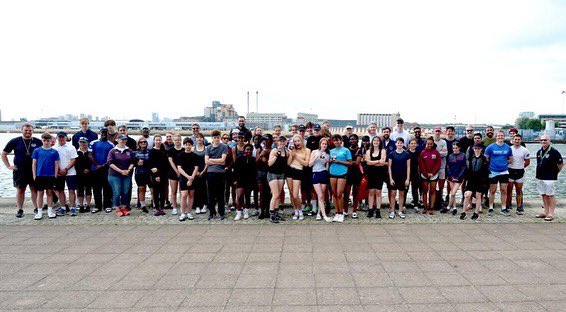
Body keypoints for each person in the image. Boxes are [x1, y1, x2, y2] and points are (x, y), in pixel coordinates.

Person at [2, 123, 42, 218]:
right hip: (19, 170)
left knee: (34, 189)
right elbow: (3, 154)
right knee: (20, 189)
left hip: (33, 170)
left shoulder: (38, 141)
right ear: (22, 131)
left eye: (30, 130)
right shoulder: (15, 141)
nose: (28, 132)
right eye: (26, 130)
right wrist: (8, 166)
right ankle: (19, 209)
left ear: (32, 131)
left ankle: (36, 208)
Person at [31, 133, 60, 220]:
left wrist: (55, 175)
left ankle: (50, 211)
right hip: (40, 175)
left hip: (50, 175)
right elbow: (34, 164)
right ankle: (39, 212)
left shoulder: (54, 152)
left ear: (50, 141)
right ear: (42, 141)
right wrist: (34, 175)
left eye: (48, 140)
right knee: (40, 193)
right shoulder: (37, 151)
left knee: (49, 193)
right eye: (44, 140)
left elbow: (56, 164)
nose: (46, 142)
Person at [535, 135, 563, 221]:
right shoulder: (539, 151)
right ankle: (545, 211)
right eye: (542, 140)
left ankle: (551, 213)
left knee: (550, 195)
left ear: (549, 141)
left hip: (550, 177)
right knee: (543, 194)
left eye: (545, 140)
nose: (543, 141)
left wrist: (555, 173)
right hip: (540, 176)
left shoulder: (554, 152)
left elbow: (561, 164)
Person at [484, 130, 513, 215]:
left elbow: (511, 159)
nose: (500, 137)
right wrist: (493, 164)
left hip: (504, 172)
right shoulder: (490, 147)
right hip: (493, 171)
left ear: (504, 137)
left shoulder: (507, 147)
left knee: (504, 190)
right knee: (492, 190)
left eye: (502, 136)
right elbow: (486, 158)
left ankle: (503, 208)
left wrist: (504, 163)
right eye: (498, 136)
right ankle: (490, 208)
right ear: (496, 137)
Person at [107, 134, 135, 217]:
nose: (123, 141)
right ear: (117, 140)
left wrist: (128, 170)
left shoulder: (129, 151)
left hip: (126, 174)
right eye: (121, 139)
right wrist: (121, 171)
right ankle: (117, 208)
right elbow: (110, 163)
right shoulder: (112, 151)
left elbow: (132, 162)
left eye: (124, 139)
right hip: (114, 175)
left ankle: (123, 207)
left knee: (125, 191)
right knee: (117, 191)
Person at [462, 143, 490, 220]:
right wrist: (466, 178)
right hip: (471, 179)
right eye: (475, 149)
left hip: (480, 180)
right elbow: (468, 169)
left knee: (478, 196)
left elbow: (486, 171)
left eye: (478, 149)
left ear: (481, 150)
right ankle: (463, 212)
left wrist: (485, 182)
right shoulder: (471, 158)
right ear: (473, 149)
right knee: (467, 195)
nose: (477, 150)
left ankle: (476, 213)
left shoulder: (484, 159)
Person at [205, 130, 229, 220]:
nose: (216, 139)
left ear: (220, 137)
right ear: (212, 138)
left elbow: (223, 161)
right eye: (214, 137)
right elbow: (206, 161)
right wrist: (217, 161)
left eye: (218, 137)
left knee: (220, 194)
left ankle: (221, 212)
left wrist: (211, 160)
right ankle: (211, 212)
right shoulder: (208, 147)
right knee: (210, 194)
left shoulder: (224, 146)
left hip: (220, 173)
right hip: (210, 173)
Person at [53, 132, 78, 216]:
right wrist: (59, 170)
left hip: (70, 172)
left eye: (62, 137)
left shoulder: (71, 147)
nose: (61, 139)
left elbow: (74, 159)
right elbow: (53, 161)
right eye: (59, 137)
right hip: (59, 173)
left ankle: (72, 208)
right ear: (57, 138)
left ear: (66, 138)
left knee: (71, 190)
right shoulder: (54, 148)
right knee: (60, 190)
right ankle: (63, 207)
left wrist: (66, 169)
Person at [90, 128, 114, 213]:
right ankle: (98, 206)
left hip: (106, 169)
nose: (104, 134)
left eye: (105, 132)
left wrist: (103, 165)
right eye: (102, 132)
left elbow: (112, 157)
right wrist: (97, 164)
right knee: (96, 188)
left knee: (107, 188)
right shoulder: (93, 143)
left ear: (108, 133)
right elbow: (90, 154)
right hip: (95, 169)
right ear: (100, 133)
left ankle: (107, 205)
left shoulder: (111, 144)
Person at [287, 134, 311, 220]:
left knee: (295, 194)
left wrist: (296, 156)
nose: (297, 143)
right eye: (295, 141)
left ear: (302, 141)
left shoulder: (307, 150)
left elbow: (306, 163)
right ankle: (295, 210)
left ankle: (300, 210)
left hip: (299, 171)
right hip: (290, 171)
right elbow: (288, 163)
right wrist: (291, 154)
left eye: (298, 140)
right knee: (291, 193)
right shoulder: (292, 150)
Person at [329, 134, 352, 222]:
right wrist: (331, 161)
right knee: (334, 194)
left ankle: (341, 213)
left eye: (337, 140)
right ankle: (337, 212)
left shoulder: (346, 150)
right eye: (334, 141)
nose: (336, 142)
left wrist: (339, 161)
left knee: (339, 194)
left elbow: (350, 163)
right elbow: (328, 161)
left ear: (341, 141)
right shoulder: (331, 151)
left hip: (342, 173)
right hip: (332, 172)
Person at [309, 138, 332, 222]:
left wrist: (327, 162)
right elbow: (310, 164)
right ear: (320, 144)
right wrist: (317, 157)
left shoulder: (327, 154)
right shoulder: (314, 152)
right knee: (320, 195)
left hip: (323, 173)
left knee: (321, 195)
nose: (324, 145)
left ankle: (319, 213)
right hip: (315, 173)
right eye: (323, 144)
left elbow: (327, 167)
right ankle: (325, 215)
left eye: (326, 144)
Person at [506, 134, 530, 215]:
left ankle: (519, 207)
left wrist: (519, 166)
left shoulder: (525, 150)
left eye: (518, 139)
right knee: (509, 190)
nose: (517, 141)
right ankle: (507, 206)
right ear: (513, 140)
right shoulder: (509, 149)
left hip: (520, 172)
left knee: (518, 191)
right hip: (510, 171)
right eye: (515, 139)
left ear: (521, 140)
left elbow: (527, 162)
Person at [233, 144, 257, 220]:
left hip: (249, 180)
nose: (248, 151)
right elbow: (235, 170)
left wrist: (253, 182)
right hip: (240, 180)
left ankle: (246, 211)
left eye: (250, 150)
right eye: (247, 149)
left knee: (247, 197)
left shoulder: (253, 159)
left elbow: (254, 172)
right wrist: (235, 180)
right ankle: (239, 212)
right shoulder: (239, 159)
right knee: (239, 197)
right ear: (244, 150)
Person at [387, 138, 410, 219]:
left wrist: (407, 179)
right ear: (395, 144)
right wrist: (390, 178)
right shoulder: (391, 154)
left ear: (403, 144)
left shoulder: (406, 154)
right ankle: (392, 211)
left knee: (401, 194)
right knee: (393, 194)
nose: (399, 144)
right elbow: (389, 166)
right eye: (398, 143)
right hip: (394, 177)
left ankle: (400, 211)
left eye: (401, 143)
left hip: (403, 177)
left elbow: (408, 167)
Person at [364, 136, 387, 218]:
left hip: (380, 173)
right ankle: (370, 210)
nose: (376, 142)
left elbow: (383, 162)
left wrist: (373, 162)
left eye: (377, 140)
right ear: (372, 142)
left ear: (380, 142)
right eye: (374, 140)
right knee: (371, 192)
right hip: (371, 173)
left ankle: (378, 210)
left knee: (378, 192)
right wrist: (378, 161)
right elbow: (368, 162)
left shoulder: (383, 150)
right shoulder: (368, 151)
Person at [267, 136, 288, 223]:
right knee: (275, 195)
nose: (282, 143)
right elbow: (269, 163)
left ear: (285, 142)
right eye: (280, 141)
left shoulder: (286, 152)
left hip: (281, 174)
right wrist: (276, 155)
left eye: (283, 141)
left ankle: (276, 213)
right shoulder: (274, 150)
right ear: (278, 142)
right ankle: (271, 214)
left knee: (278, 195)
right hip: (273, 174)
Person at [177, 138, 198, 221]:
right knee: (183, 195)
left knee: (191, 195)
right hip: (183, 177)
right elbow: (179, 168)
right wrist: (187, 177)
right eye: (186, 145)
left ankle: (189, 212)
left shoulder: (195, 156)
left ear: (192, 145)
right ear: (184, 145)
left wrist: (191, 178)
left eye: (189, 145)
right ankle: (182, 213)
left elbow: (196, 168)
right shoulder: (180, 155)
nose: (188, 146)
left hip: (192, 177)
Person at [419, 137, 442, 214]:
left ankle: (431, 208)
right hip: (424, 175)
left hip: (433, 175)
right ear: (426, 144)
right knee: (425, 191)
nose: (429, 145)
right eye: (428, 144)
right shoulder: (422, 153)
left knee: (432, 191)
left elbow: (438, 164)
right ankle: (425, 207)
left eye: (431, 144)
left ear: (433, 144)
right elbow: (421, 165)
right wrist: (426, 174)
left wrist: (433, 173)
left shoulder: (436, 153)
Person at [148, 135, 169, 216]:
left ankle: (162, 208)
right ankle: (157, 208)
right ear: (154, 141)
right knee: (156, 192)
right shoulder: (151, 151)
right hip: (155, 175)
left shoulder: (164, 151)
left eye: (159, 140)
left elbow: (165, 164)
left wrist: (161, 171)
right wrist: (156, 175)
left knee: (163, 192)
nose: (158, 141)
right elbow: (151, 164)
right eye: (156, 140)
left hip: (164, 174)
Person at [444, 142, 466, 215]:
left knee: (453, 192)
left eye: (456, 148)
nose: (455, 149)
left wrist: (459, 177)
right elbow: (448, 167)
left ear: (459, 148)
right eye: (453, 148)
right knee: (452, 193)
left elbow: (464, 167)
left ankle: (448, 207)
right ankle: (454, 208)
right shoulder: (450, 156)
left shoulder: (463, 155)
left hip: (459, 177)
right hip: (451, 177)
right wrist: (450, 176)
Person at [344, 134, 363, 218]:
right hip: (348, 173)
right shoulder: (346, 150)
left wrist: (349, 162)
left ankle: (354, 210)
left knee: (355, 193)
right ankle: (345, 210)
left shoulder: (359, 150)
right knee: (346, 193)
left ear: (357, 140)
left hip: (356, 173)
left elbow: (357, 162)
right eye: (351, 139)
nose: (352, 141)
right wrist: (350, 162)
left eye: (354, 139)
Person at [256, 134, 272, 219]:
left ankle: (268, 210)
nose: (265, 141)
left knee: (269, 193)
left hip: (269, 173)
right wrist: (261, 154)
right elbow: (256, 162)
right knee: (261, 193)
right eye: (264, 140)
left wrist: (267, 160)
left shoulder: (272, 150)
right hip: (261, 173)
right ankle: (262, 211)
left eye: (267, 140)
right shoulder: (260, 149)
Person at [75, 137, 93, 213]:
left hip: (89, 174)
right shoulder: (76, 152)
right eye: (81, 142)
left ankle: (88, 205)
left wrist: (88, 169)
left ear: (87, 143)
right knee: (80, 190)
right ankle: (81, 205)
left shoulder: (90, 152)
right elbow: (75, 163)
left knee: (88, 190)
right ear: (79, 143)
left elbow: (93, 162)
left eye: (84, 142)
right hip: (79, 174)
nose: (83, 144)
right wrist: (82, 170)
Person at [133, 137, 151, 213]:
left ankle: (154, 204)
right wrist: (136, 163)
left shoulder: (150, 152)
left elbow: (152, 161)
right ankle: (142, 205)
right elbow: (132, 162)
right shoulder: (135, 153)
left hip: (149, 173)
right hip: (139, 173)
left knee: (153, 189)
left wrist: (144, 162)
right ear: (138, 144)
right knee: (141, 189)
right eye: (141, 142)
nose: (143, 143)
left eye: (145, 142)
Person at [167, 134, 184, 215]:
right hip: (173, 172)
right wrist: (177, 171)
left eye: (178, 140)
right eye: (176, 140)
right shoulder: (170, 150)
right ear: (173, 141)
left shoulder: (184, 150)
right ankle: (174, 207)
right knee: (173, 191)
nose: (177, 141)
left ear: (181, 140)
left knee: (182, 191)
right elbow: (171, 161)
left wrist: (181, 172)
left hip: (183, 172)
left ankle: (182, 206)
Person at [193, 133, 208, 214]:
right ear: (195, 139)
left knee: (204, 189)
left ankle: (205, 205)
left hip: (204, 171)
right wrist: (196, 171)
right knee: (196, 189)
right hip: (195, 171)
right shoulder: (193, 149)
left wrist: (202, 171)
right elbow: (191, 161)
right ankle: (197, 206)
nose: (199, 139)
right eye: (197, 138)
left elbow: (207, 162)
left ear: (203, 139)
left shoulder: (206, 148)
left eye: (201, 137)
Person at [433, 126, 448, 208]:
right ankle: (434, 200)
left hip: (442, 166)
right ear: (434, 132)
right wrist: (440, 152)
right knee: (433, 185)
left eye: (439, 131)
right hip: (432, 167)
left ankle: (440, 199)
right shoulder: (431, 141)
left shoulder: (443, 142)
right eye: (436, 131)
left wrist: (435, 154)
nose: (437, 133)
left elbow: (445, 153)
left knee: (441, 185)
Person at [407, 139, 422, 210]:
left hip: (416, 173)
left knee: (415, 189)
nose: (413, 145)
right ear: (409, 145)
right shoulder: (406, 153)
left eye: (414, 143)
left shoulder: (419, 153)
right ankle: (403, 204)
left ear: (416, 145)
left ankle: (416, 204)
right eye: (411, 143)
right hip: (407, 173)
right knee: (405, 189)